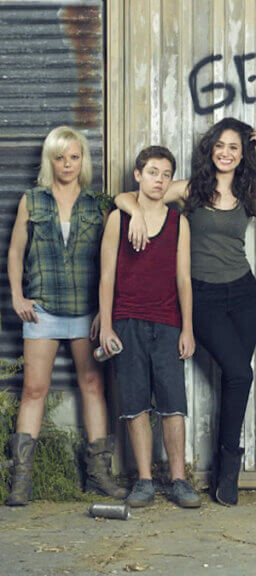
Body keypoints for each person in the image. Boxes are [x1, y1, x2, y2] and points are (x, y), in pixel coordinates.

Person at [115, 117, 256, 506]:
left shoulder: (252, 192)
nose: (227, 153)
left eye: (235, 147)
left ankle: (224, 473)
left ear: (242, 153)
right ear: (210, 150)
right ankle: (228, 467)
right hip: (203, 297)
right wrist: (140, 215)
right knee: (239, 372)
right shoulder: (190, 190)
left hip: (245, 297)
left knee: (236, 379)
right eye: (220, 146)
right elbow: (127, 197)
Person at [5, 126, 125, 506]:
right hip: (42, 310)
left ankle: (98, 474)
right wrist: (17, 296)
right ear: (50, 161)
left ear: (82, 161)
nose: (67, 164)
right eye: (60, 157)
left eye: (74, 157)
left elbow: (109, 263)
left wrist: (103, 314)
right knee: (34, 390)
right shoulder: (33, 200)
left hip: (85, 311)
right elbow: (15, 252)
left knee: (92, 386)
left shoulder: (97, 204)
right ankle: (21, 480)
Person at [98, 146, 199, 508]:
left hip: (168, 322)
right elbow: (106, 275)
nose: (159, 179)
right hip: (126, 322)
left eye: (166, 174)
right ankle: (143, 480)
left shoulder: (178, 222)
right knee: (135, 402)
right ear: (138, 175)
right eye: (152, 172)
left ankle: (179, 480)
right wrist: (107, 324)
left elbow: (183, 279)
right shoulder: (118, 219)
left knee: (173, 403)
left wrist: (187, 328)